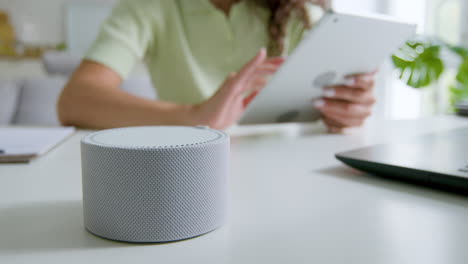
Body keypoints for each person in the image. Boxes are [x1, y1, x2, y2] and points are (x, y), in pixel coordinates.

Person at [58, 0, 376, 132]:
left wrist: (345, 111)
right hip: (192, 166)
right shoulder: (149, 6)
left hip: (287, 171)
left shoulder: (300, 12)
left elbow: (329, 108)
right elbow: (76, 100)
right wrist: (194, 116)